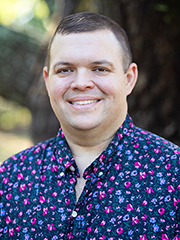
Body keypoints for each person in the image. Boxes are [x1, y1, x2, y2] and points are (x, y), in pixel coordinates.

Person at [0, 12, 180, 240]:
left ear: (129, 79)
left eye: (100, 69)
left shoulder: (174, 175)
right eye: (65, 70)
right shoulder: (10, 179)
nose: (81, 83)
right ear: (47, 81)